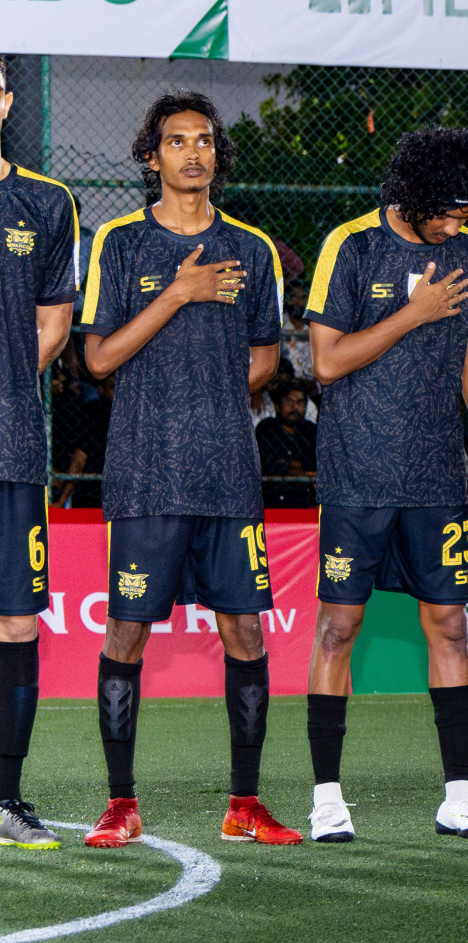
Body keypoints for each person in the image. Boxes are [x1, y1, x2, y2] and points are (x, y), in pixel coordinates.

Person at [79, 91, 299, 847]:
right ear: (153, 158)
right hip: (144, 473)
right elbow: (99, 357)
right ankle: (120, 804)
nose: (194, 153)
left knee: (245, 634)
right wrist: (178, 292)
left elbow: (267, 357)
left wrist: (203, 392)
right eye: (177, 142)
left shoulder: (252, 248)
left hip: (228, 474)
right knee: (126, 635)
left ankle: (245, 804)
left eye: (204, 140)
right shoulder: (120, 242)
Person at [302, 128, 468, 843]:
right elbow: (326, 362)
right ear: (414, 197)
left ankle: (460, 795)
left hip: (435, 477)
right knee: (338, 626)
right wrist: (413, 313)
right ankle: (328, 798)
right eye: (448, 211)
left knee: (451, 625)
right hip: (359, 474)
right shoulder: (353, 246)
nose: (459, 224)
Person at [0, 56, 78, 850]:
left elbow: (54, 324)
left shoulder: (46, 201)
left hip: (11, 443)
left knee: (17, 625)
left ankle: (4, 796)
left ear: (7, 100)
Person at [256, 381, 318, 507]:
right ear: (278, 405)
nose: (295, 407)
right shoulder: (267, 428)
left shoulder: (311, 430)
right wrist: (296, 469)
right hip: (272, 497)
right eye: (289, 401)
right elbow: (266, 464)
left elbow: (316, 464)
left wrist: (288, 465)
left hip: (305, 498)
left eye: (300, 402)